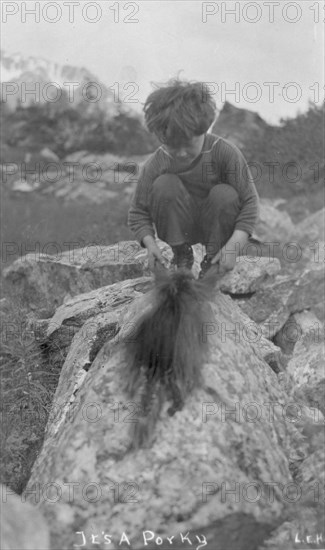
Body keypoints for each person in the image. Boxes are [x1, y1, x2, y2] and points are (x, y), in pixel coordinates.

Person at [128, 79, 260, 278]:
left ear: (204, 129)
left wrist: (233, 246)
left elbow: (250, 202)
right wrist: (150, 244)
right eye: (172, 144)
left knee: (225, 194)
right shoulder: (157, 162)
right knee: (164, 185)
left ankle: (212, 261)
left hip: (215, 226)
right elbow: (138, 211)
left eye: (188, 144)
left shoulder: (223, 152)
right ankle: (181, 255)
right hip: (180, 228)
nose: (180, 153)